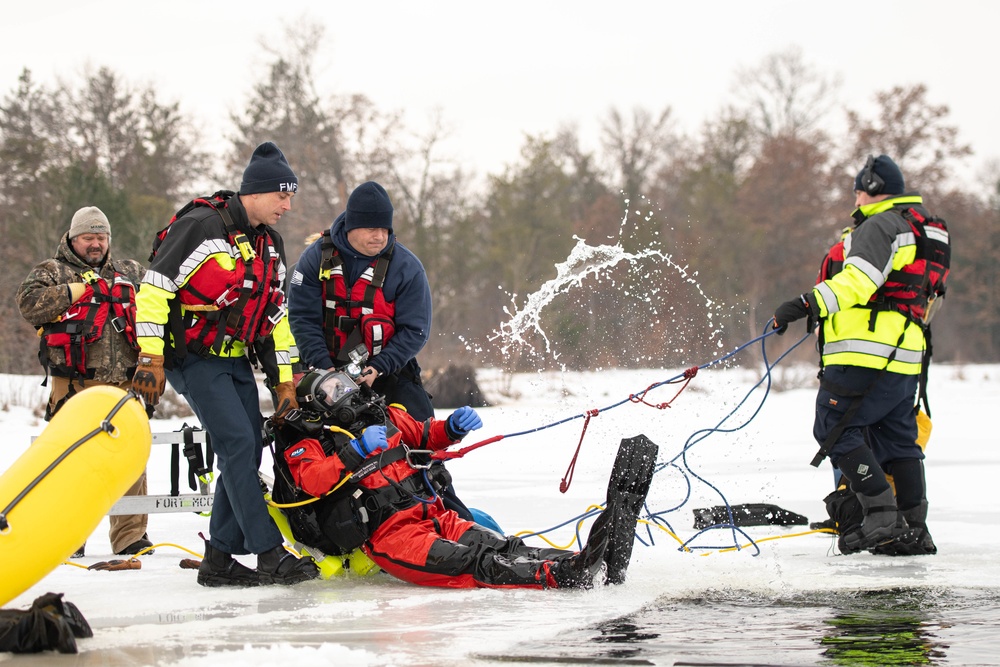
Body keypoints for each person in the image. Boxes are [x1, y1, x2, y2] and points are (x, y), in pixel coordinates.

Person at [271, 369, 654, 589]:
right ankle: (561, 576)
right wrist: (353, 453)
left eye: (345, 383)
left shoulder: (381, 417)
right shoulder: (309, 443)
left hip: (433, 514)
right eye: (333, 390)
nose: (347, 392)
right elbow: (314, 481)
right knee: (474, 563)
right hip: (393, 538)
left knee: (502, 546)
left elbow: (425, 434)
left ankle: (589, 563)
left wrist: (452, 428)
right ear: (317, 404)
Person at [130, 142, 318, 587]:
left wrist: (285, 384)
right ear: (254, 192)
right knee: (236, 442)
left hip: (234, 361)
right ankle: (269, 552)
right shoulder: (200, 227)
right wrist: (151, 356)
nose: (288, 206)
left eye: (291, 197)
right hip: (191, 358)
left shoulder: (270, 244)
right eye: (282, 196)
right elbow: (154, 291)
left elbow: (275, 318)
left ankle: (217, 558)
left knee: (248, 446)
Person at [772, 155, 948, 557]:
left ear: (869, 187)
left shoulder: (882, 224)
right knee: (898, 439)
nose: (855, 196)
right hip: (905, 357)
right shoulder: (920, 229)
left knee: (833, 427)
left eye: (857, 189)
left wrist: (805, 303)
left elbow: (857, 281)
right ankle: (913, 527)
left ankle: (880, 511)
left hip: (866, 354)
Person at [287, 181, 474, 520]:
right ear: (351, 225)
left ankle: (453, 517)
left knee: (419, 449)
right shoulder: (316, 259)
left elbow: (416, 329)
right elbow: (302, 318)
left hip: (390, 371)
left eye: (385, 228)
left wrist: (379, 367)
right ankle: (329, 520)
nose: (379, 236)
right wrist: (326, 373)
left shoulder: (407, 267)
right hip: (325, 373)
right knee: (317, 447)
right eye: (371, 228)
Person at [17, 206, 153, 558]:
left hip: (123, 384)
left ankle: (130, 536)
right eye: (88, 237)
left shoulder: (130, 272)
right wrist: (75, 290)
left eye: (101, 237)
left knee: (130, 461)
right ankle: (69, 535)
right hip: (73, 386)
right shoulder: (51, 271)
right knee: (69, 462)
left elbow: (160, 304)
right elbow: (28, 305)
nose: (96, 244)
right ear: (73, 239)